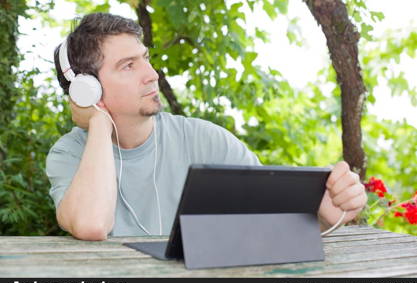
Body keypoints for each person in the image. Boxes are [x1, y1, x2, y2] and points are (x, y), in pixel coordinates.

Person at [46, 13, 367, 241]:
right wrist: (100, 122)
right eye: (129, 66)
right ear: (87, 88)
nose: (152, 74)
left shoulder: (207, 141)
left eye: (145, 58)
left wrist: (324, 214)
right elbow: (90, 225)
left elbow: (275, 225)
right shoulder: (68, 154)